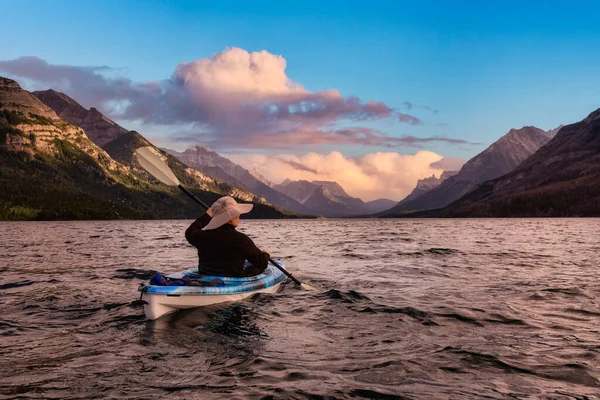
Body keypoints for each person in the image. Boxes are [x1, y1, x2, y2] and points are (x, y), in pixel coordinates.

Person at [185, 196, 270, 277]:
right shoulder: (242, 240)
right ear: (229, 219)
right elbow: (262, 263)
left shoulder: (201, 236)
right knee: (256, 268)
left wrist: (207, 216)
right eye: (236, 215)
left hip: (206, 278)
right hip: (234, 281)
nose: (239, 217)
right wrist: (266, 254)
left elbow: (189, 232)